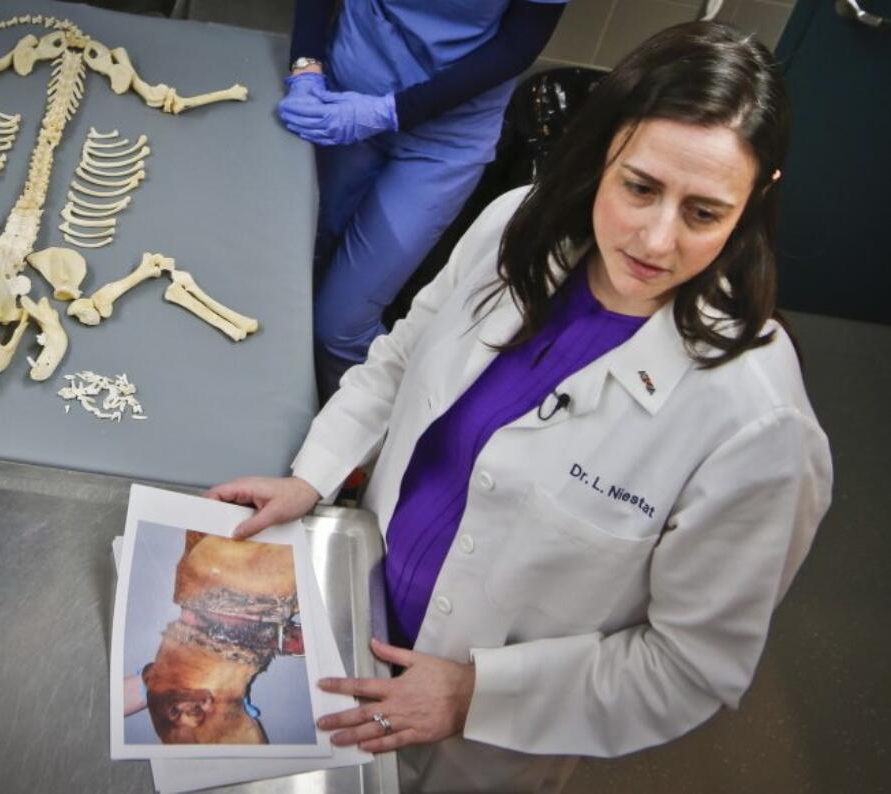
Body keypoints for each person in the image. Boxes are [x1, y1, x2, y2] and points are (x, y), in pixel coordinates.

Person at [212, 22, 833, 793]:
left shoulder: (757, 426)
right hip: (346, 621)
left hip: (475, 744)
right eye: (638, 187)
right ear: (602, 149)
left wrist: (476, 694)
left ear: (758, 197)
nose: (656, 238)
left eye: (704, 213)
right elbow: (402, 358)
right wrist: (314, 475)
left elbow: (690, 666)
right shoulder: (517, 227)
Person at [278, 0, 569, 400]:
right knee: (290, 268)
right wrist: (306, 68)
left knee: (340, 327)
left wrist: (393, 111)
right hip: (342, 97)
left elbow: (517, 46)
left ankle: (365, 451)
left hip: (445, 139)